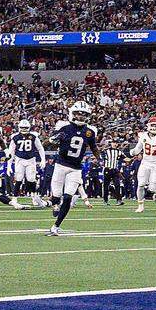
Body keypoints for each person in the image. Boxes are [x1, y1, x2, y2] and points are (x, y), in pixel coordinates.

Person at [45, 101, 99, 237]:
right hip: (60, 165)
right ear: (72, 114)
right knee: (56, 197)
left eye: (84, 115)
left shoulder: (90, 132)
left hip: (75, 168)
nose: (80, 117)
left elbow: (94, 147)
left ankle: (56, 226)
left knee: (68, 197)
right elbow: (46, 144)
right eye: (78, 114)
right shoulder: (64, 128)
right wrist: (54, 139)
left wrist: (100, 159)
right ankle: (54, 204)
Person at [131, 117, 156, 213]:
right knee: (140, 184)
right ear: (148, 126)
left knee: (152, 188)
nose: (154, 127)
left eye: (155, 125)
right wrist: (133, 152)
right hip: (145, 163)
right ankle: (140, 205)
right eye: (152, 125)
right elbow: (138, 149)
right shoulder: (143, 136)